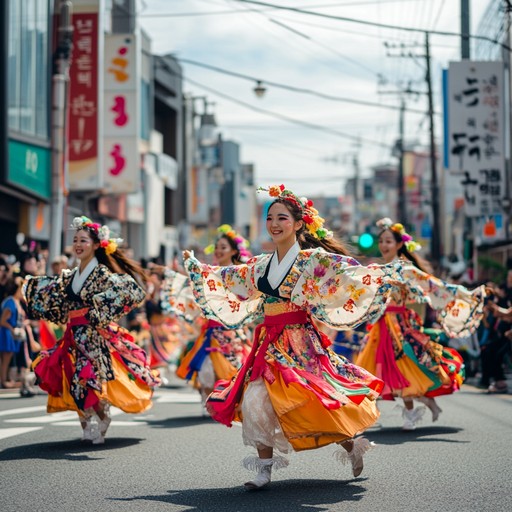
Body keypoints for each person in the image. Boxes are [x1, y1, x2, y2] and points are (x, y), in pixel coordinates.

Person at [183, 185, 394, 490]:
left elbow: (348, 276)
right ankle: (264, 469)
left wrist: (383, 273)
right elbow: (229, 278)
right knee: (255, 399)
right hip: (268, 343)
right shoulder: (259, 265)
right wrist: (199, 269)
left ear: (298, 224)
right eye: (270, 218)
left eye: (282, 218)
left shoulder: (313, 261)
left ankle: (352, 444)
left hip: (301, 343)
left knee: (314, 404)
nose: (274, 224)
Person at [24, 216, 160, 444]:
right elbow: (58, 301)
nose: (78, 244)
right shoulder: (69, 276)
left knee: (87, 380)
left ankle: (102, 418)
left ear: (97, 245)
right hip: (72, 336)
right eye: (75, 240)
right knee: (74, 382)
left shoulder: (102, 275)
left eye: (84, 240)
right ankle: (87, 427)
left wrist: (99, 311)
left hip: (94, 337)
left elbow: (130, 291)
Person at [356, 218, 485, 430]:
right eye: (381, 241)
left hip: (401, 326)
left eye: (388, 241)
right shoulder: (379, 269)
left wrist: (464, 294)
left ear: (399, 244)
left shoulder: (407, 270)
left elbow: (434, 287)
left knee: (406, 367)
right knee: (387, 370)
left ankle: (414, 410)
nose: (384, 245)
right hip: (382, 326)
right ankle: (414, 408)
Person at [167, 225, 253, 413]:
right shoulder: (210, 272)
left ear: (233, 250)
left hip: (231, 331)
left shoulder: (239, 273)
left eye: (223, 246)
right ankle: (214, 403)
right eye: (217, 246)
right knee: (206, 371)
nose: (219, 250)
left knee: (231, 370)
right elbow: (196, 290)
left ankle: (227, 402)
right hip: (210, 330)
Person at [0, 276, 26, 388]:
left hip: (9, 333)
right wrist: (12, 329)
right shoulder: (10, 301)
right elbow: (3, 320)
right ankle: (3, 381)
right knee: (5, 359)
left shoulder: (15, 301)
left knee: (6, 359)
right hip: (6, 333)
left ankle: (5, 379)